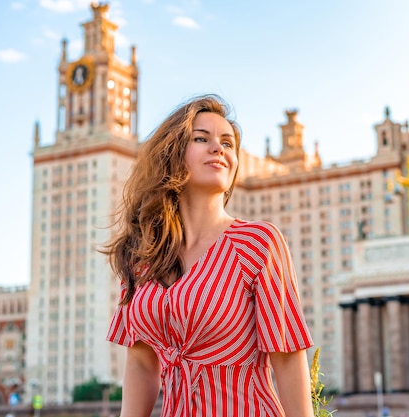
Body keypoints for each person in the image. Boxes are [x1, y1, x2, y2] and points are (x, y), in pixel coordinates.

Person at [104, 94, 315, 417]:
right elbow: (142, 363)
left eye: (228, 143)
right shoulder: (141, 255)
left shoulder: (257, 243)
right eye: (202, 139)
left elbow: (286, 357)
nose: (219, 148)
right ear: (172, 156)